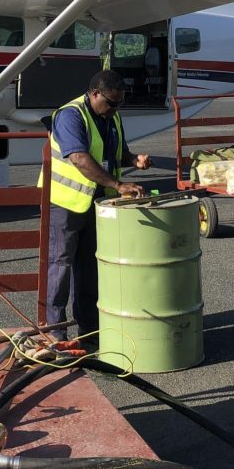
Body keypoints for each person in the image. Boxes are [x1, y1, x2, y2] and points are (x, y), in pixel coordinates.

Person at [44, 69, 151, 343]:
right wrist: (118, 185)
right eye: (111, 103)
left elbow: (118, 153)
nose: (115, 109)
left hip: (97, 203)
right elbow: (78, 157)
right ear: (94, 94)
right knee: (60, 266)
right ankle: (55, 333)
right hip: (65, 204)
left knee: (90, 268)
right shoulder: (70, 115)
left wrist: (134, 159)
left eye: (119, 104)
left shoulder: (111, 116)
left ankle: (88, 330)